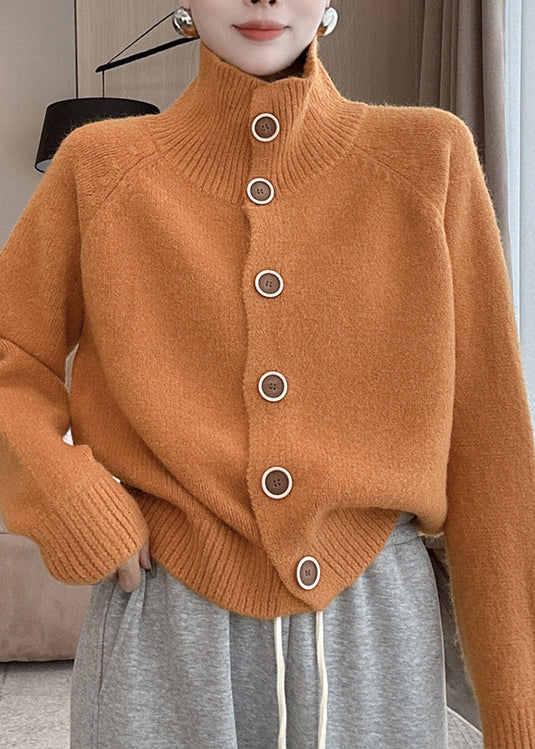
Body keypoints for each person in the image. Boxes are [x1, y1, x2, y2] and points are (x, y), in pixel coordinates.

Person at [0, 1, 533, 747]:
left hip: (375, 640)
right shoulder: (98, 168)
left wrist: (516, 716)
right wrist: (70, 496)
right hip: (164, 627)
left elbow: (490, 450)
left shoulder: (429, 159)